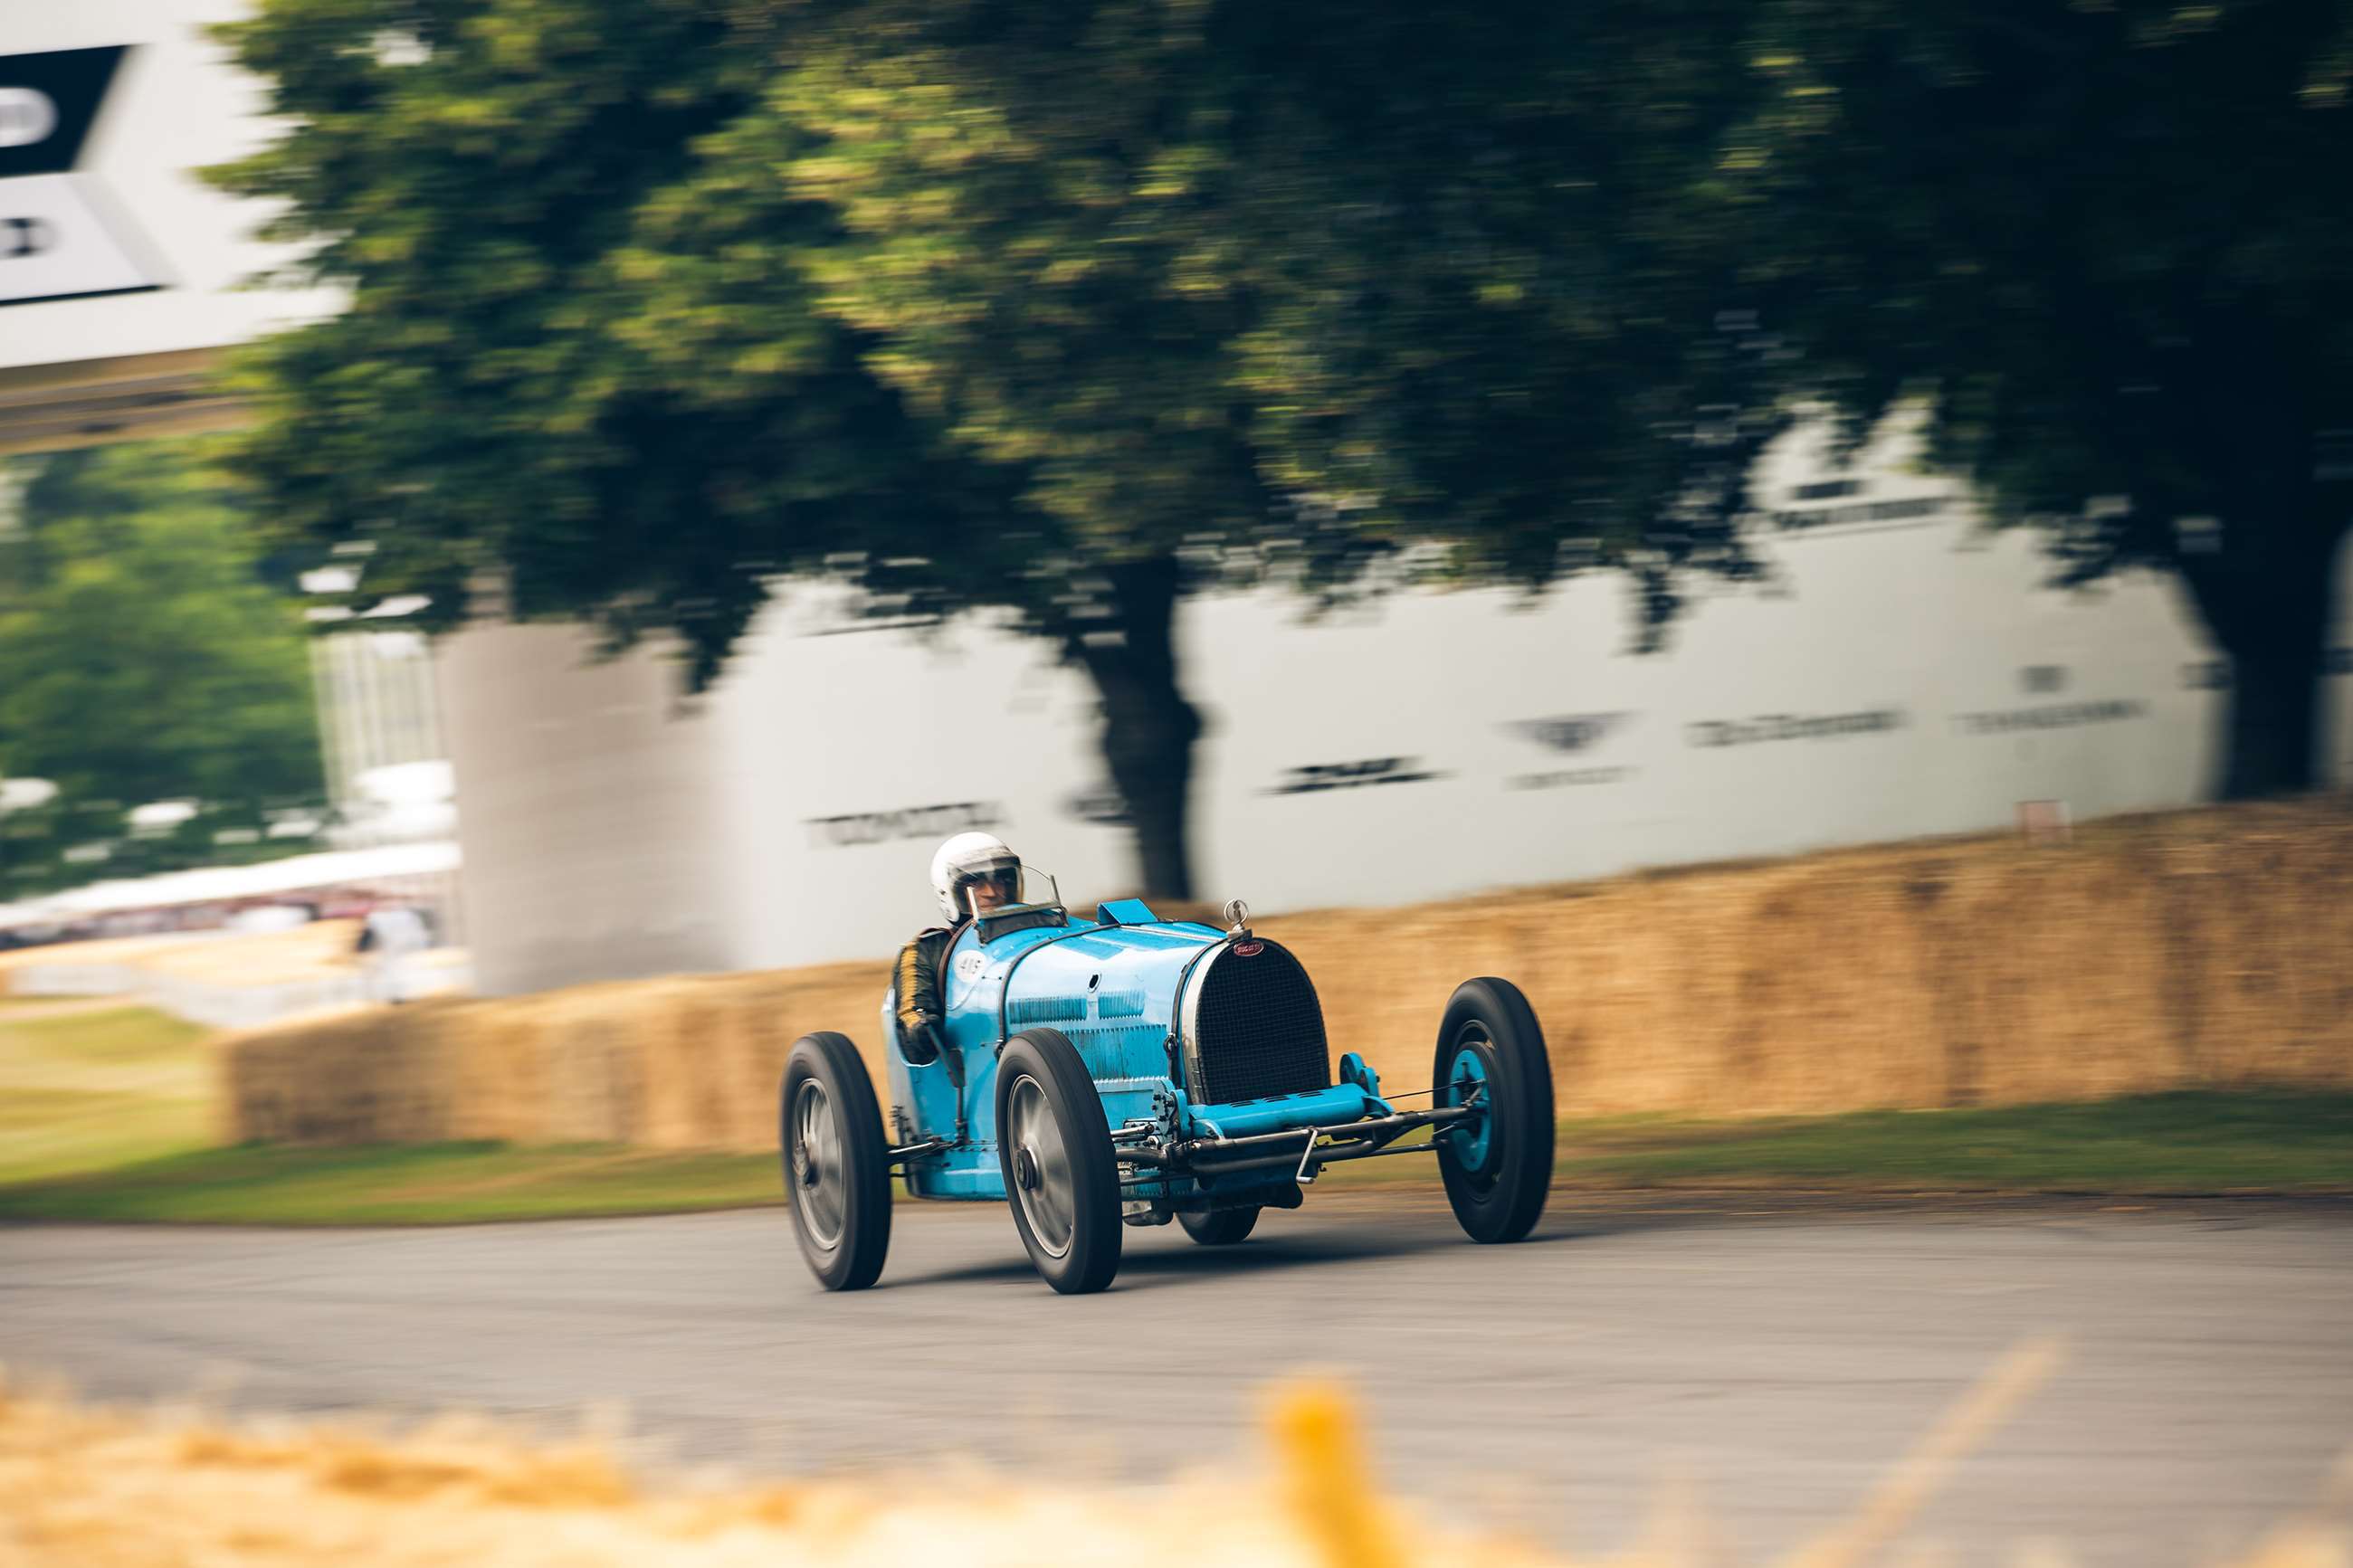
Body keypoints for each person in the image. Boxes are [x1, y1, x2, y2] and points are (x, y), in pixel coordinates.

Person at [892, 832, 1022, 1065]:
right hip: (971, 1065)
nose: (992, 892)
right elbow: (911, 1017)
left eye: (999, 880)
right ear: (949, 891)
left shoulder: (1040, 931)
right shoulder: (926, 949)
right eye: (975, 883)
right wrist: (921, 1027)